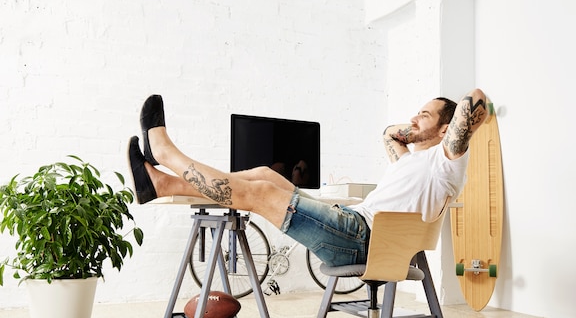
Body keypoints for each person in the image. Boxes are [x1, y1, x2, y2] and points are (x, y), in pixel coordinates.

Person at [128, 89, 488, 267]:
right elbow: (388, 135)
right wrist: (414, 128)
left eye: (423, 116)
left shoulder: (447, 162)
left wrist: (431, 129)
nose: (413, 119)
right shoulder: (411, 160)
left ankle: (166, 156)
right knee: (265, 174)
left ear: (446, 131)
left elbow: (476, 99)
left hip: (365, 240)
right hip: (353, 224)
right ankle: (162, 184)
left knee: (264, 192)